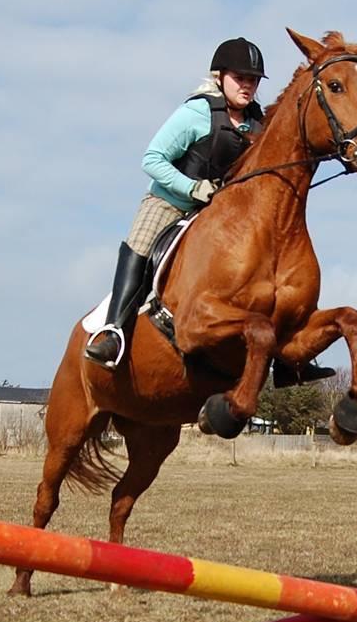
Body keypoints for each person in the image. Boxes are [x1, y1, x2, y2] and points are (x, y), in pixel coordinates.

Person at [84, 37, 334, 388]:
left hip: (224, 215)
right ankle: (113, 331)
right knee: (141, 245)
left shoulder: (256, 123)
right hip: (171, 202)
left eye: (254, 79)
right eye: (240, 77)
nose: (248, 85)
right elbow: (152, 159)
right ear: (220, 76)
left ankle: (288, 359)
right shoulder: (197, 113)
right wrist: (191, 188)